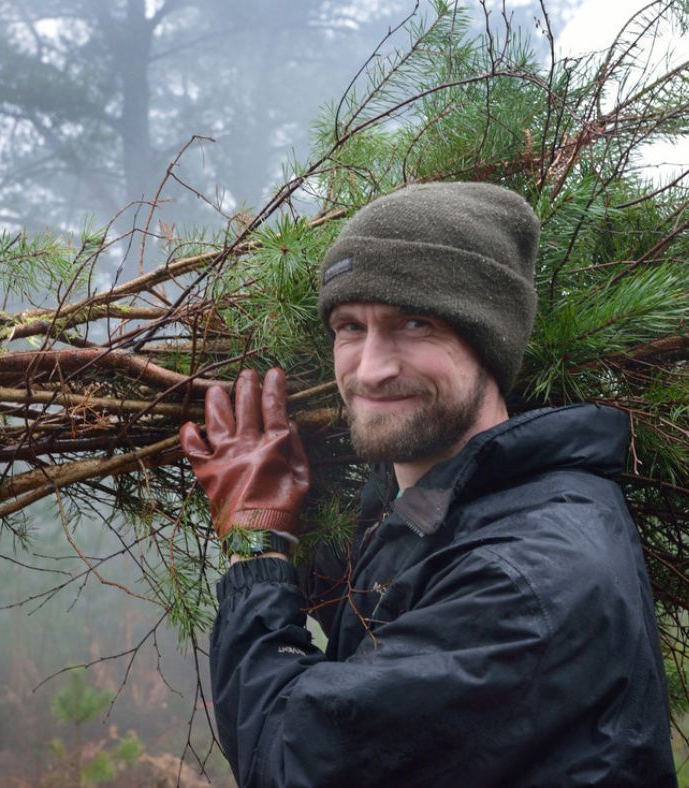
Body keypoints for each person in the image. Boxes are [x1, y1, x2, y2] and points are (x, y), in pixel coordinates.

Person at [178, 182, 677, 787]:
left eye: (415, 323)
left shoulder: (525, 581)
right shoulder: (437, 498)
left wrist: (257, 544)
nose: (370, 369)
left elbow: (290, 759)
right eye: (350, 326)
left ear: (488, 341)